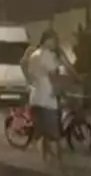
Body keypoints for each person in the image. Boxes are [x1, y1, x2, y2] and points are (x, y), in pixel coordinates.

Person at [26, 29, 66, 163]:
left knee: (42, 133)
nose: (56, 43)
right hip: (48, 99)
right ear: (47, 40)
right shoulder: (47, 55)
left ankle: (44, 161)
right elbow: (53, 75)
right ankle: (59, 164)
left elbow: (29, 73)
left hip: (35, 98)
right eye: (54, 40)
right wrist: (58, 89)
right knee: (54, 135)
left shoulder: (33, 55)